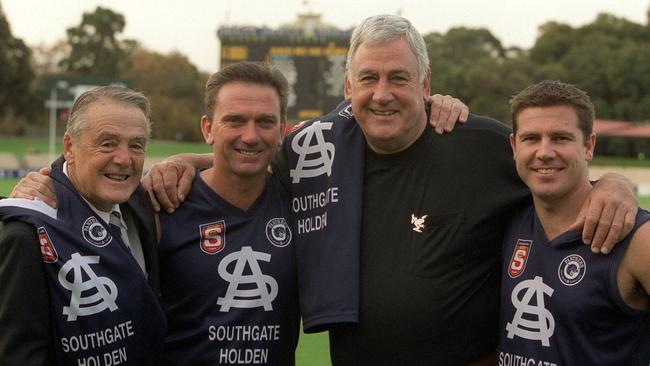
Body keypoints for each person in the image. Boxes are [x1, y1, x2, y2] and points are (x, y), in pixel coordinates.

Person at [142, 15, 638, 365]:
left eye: (399, 78)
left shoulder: (481, 146)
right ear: (347, 87)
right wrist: (184, 161)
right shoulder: (317, 151)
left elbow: (552, 167)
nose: (382, 94)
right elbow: (246, 157)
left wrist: (614, 185)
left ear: (426, 85)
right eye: (369, 78)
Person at [0, 86, 166, 365]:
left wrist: (189, 160)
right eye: (107, 143)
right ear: (69, 148)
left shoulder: (144, 204)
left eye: (136, 145)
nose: (124, 159)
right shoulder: (27, 234)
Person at [499, 80, 650, 365]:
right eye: (531, 138)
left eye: (560, 138)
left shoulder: (637, 238)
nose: (544, 152)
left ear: (589, 145)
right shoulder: (506, 220)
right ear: (514, 146)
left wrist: (616, 184)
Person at [158, 62, 300, 365]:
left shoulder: (299, 201)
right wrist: (44, 183)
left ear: (282, 129)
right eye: (235, 121)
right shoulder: (165, 203)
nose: (250, 136)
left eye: (264, 122)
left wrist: (429, 103)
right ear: (208, 128)